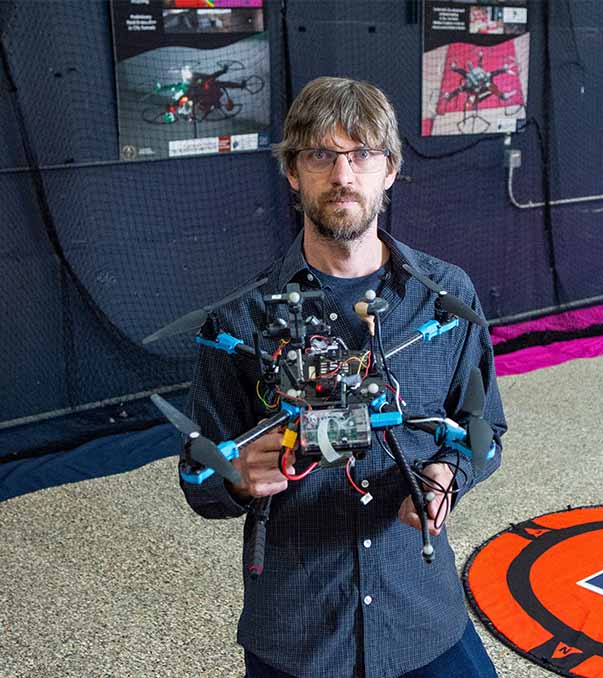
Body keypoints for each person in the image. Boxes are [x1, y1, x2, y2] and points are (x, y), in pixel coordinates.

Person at [180, 76, 507, 678]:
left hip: (423, 615)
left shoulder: (446, 299)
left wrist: (446, 475)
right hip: (300, 633)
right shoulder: (239, 323)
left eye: (362, 155)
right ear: (292, 173)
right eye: (320, 155)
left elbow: (483, 430)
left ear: (389, 171)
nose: (342, 175)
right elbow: (198, 476)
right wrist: (234, 475)